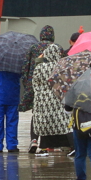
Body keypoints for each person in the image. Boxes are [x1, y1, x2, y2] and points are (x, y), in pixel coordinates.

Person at [19, 25, 59, 153]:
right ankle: (49, 143)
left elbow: (25, 69)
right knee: (53, 114)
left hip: (36, 87)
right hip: (53, 89)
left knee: (37, 114)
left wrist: (28, 86)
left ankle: (34, 140)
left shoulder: (33, 48)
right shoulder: (57, 48)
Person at [31, 44, 72, 152]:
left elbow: (34, 85)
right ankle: (70, 145)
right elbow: (66, 84)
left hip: (42, 101)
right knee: (63, 124)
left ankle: (43, 146)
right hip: (58, 100)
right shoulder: (61, 67)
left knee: (45, 124)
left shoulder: (39, 68)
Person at [0, 63, 20, 154]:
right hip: (12, 94)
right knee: (12, 121)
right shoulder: (16, 62)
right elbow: (20, 75)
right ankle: (12, 145)